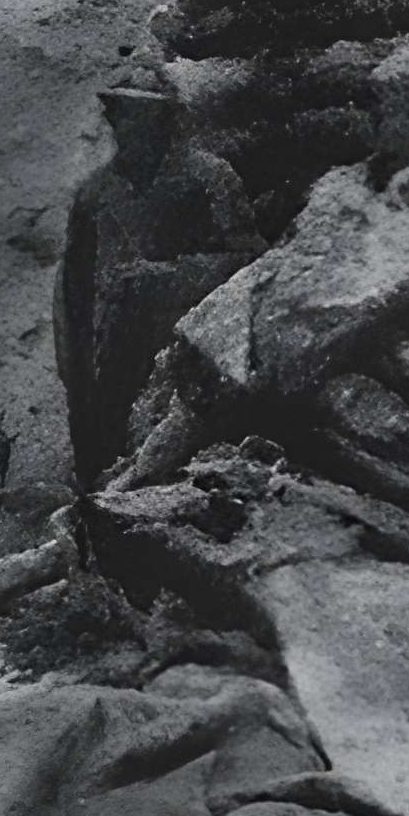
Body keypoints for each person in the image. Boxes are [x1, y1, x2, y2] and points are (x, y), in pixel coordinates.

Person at [54, 48, 258, 492]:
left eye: (129, 114)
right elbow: (72, 295)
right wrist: (75, 369)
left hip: (186, 348)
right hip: (113, 358)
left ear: (159, 118)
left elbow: (246, 263)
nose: (117, 125)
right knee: (104, 466)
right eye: (114, 113)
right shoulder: (96, 194)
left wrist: (167, 278)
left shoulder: (209, 180)